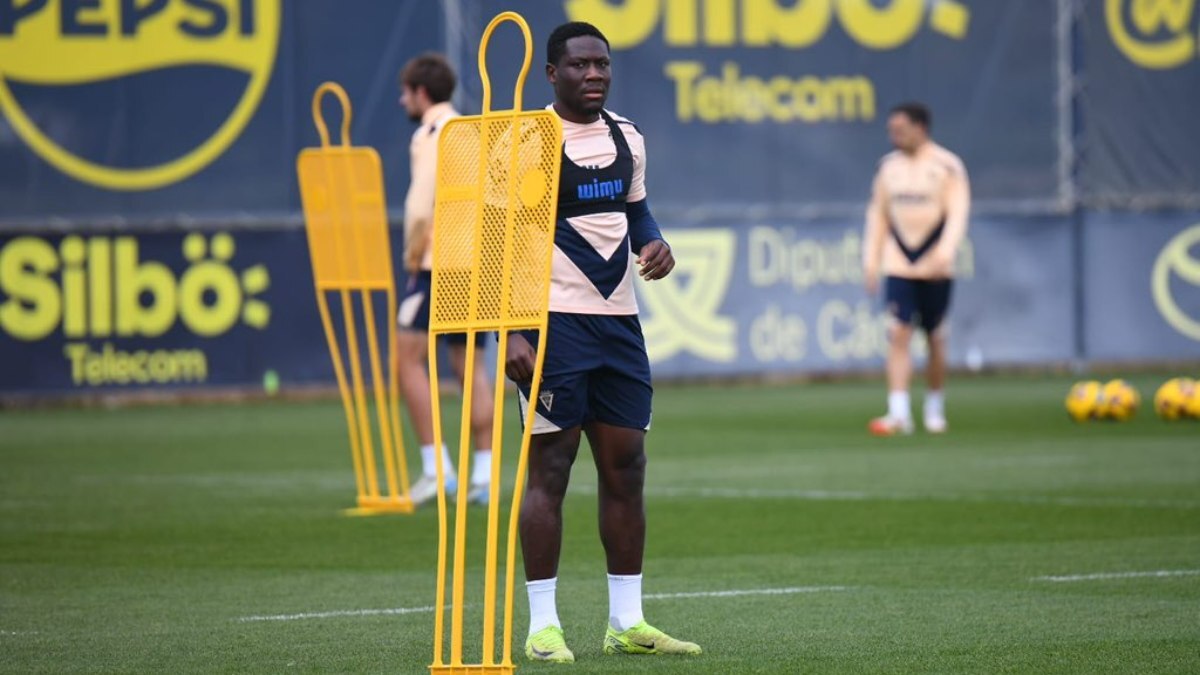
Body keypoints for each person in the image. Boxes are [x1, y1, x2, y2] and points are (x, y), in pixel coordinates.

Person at [504, 22, 701, 663]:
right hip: (552, 324)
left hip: (619, 324)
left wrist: (655, 241)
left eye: (603, 66)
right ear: (551, 74)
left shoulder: (628, 137)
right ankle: (542, 628)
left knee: (626, 469)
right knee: (551, 472)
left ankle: (626, 622)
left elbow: (634, 208)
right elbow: (493, 240)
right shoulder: (525, 142)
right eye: (581, 66)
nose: (595, 75)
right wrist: (510, 331)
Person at [394, 53, 494, 505]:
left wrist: (412, 254)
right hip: (473, 261)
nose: (402, 101)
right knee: (468, 366)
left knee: (407, 358)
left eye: (406, 92)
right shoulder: (470, 130)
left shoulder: (432, 133)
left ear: (421, 92)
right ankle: (485, 474)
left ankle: (437, 470)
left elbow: (419, 205)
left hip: (437, 260)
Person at [862, 102, 971, 435]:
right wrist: (871, 260)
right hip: (899, 264)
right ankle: (898, 412)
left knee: (935, 337)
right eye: (891, 131)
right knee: (897, 333)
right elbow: (878, 214)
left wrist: (946, 252)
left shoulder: (946, 165)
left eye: (901, 129)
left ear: (920, 128)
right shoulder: (888, 168)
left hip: (936, 266)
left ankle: (934, 408)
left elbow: (957, 212)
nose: (895, 136)